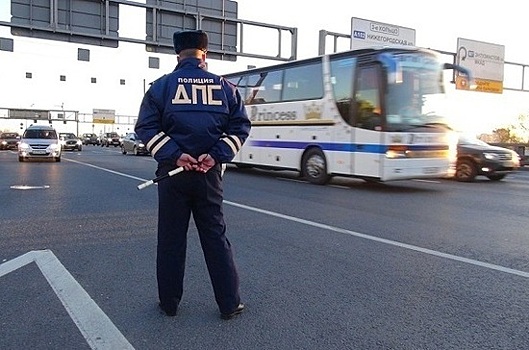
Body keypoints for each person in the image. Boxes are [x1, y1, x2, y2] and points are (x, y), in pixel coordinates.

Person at [135, 30, 251, 320]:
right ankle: (229, 304)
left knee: (171, 239)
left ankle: (170, 304)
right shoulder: (226, 88)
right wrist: (215, 155)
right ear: (205, 54)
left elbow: (145, 128)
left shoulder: (161, 87)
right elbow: (240, 128)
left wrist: (176, 154)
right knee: (215, 237)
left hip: (173, 175)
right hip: (209, 174)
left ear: (178, 55)